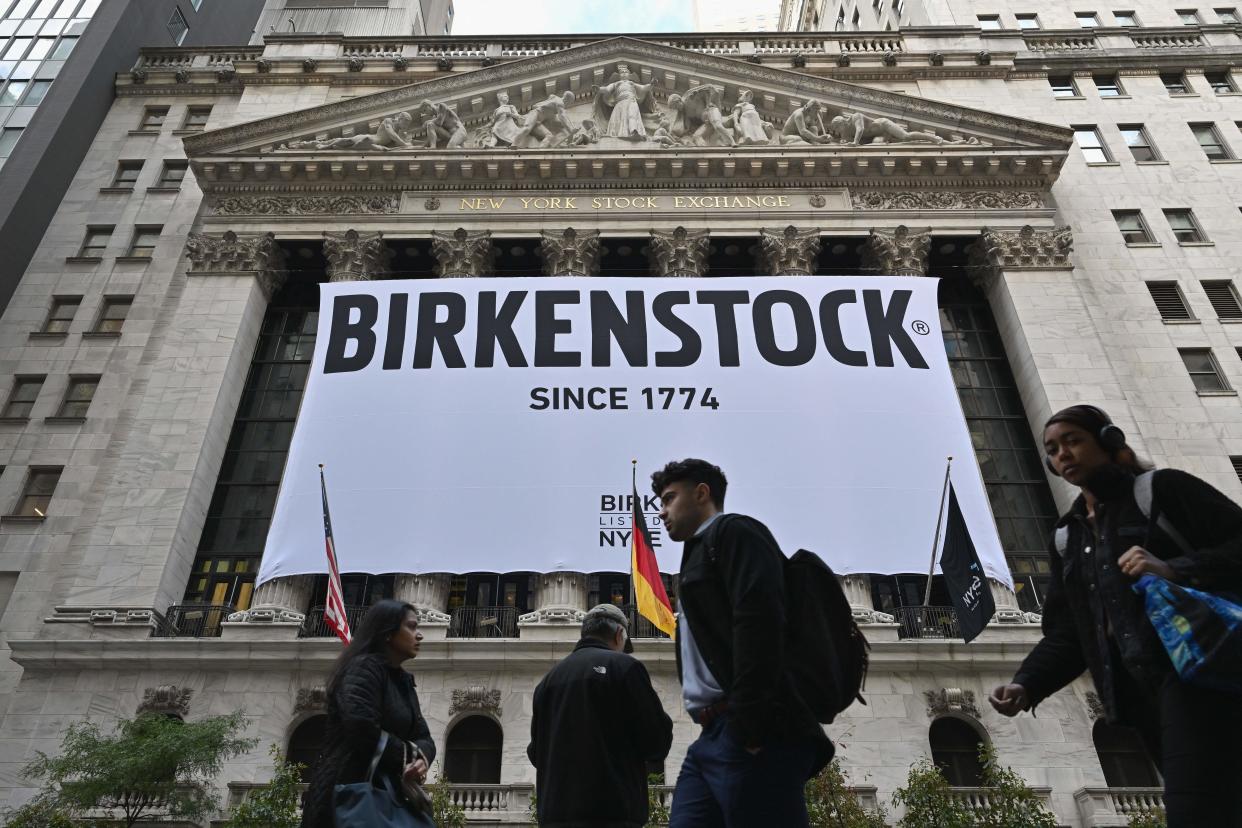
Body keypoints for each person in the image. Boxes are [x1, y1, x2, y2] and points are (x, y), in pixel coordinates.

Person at [989, 405, 1242, 827]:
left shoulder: (1161, 491)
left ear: (1107, 440)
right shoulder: (1068, 535)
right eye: (1053, 449)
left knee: (1196, 811)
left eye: (1073, 441)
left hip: (1204, 674)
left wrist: (1175, 568)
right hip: (1139, 693)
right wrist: (1026, 683)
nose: (1063, 454)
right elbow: (1070, 631)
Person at [654, 459, 833, 828]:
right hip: (711, 736)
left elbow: (761, 623)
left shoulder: (737, 533)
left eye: (669, 498)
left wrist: (751, 726)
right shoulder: (696, 553)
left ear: (702, 493)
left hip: (753, 727)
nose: (661, 511)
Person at [527, 603, 673, 828]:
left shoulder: (547, 682)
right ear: (619, 634)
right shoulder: (625, 667)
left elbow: (536, 754)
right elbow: (656, 743)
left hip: (555, 817)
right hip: (612, 815)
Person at [301, 600, 437, 828]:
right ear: (387, 633)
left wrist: (421, 760)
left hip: (390, 795)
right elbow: (361, 727)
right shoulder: (362, 669)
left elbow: (424, 737)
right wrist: (408, 754)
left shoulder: (403, 681)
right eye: (411, 627)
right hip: (350, 794)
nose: (420, 635)